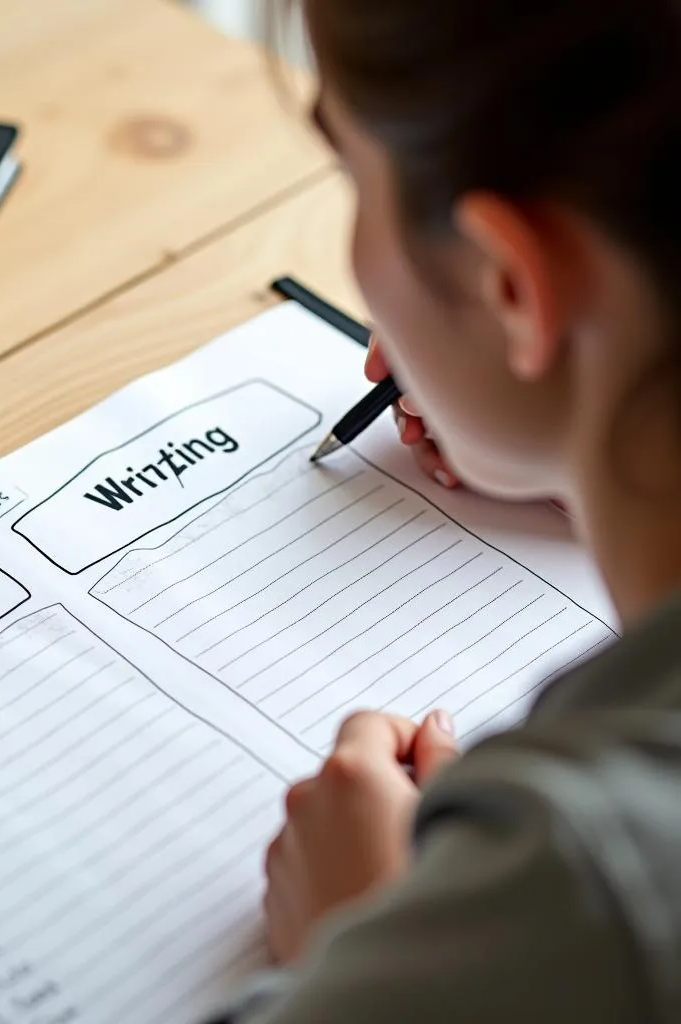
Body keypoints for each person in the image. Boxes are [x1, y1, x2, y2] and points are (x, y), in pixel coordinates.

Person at [208, 0, 681, 1020]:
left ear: (510, 286)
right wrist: (587, 444)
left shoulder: (564, 888)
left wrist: (370, 937)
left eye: (353, 181)